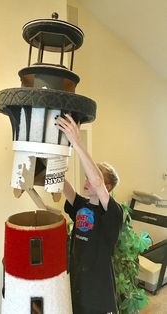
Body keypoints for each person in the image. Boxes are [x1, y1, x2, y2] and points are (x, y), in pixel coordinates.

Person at [56, 114, 123, 314]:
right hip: (78, 287)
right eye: (86, 177)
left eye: (90, 177)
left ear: (107, 187)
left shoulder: (112, 212)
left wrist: (77, 142)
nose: (87, 181)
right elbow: (61, 184)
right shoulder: (81, 205)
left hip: (98, 296)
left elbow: (97, 183)